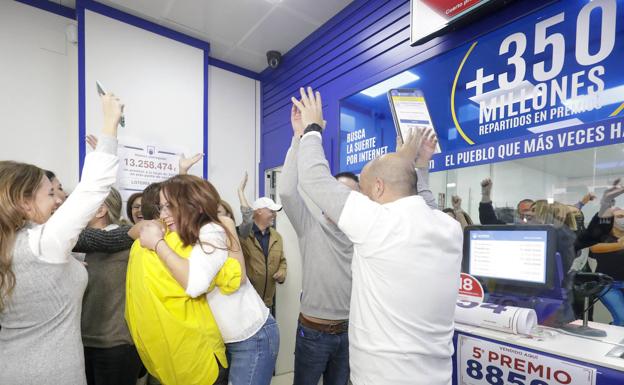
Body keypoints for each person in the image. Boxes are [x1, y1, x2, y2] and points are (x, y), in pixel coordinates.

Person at [291, 87, 463, 385]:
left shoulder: (377, 224)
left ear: (379, 188)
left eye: (367, 192)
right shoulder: (449, 228)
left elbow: (313, 179)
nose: (365, 199)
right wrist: (418, 164)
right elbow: (424, 200)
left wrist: (312, 129)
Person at [0, 93, 123, 385]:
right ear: (24, 202)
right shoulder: (41, 245)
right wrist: (110, 122)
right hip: (53, 374)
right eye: (50, 194)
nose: (59, 201)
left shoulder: (15, 243)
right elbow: (93, 188)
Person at [139, 175, 279, 385]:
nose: (163, 215)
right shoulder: (185, 232)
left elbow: (195, 284)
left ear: (192, 205)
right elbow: (137, 229)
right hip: (227, 340)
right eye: (161, 208)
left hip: (251, 338)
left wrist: (158, 243)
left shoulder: (211, 231)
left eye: (169, 207)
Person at [279, 103, 355, 385]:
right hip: (313, 333)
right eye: (336, 193)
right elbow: (287, 191)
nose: (340, 201)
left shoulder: (362, 234)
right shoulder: (310, 225)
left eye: (348, 196)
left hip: (350, 334)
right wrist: (298, 138)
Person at [81, 187, 142, 385]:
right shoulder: (75, 245)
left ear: (101, 210)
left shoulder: (126, 241)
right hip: (81, 343)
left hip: (116, 345)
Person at [239, 196, 287, 309]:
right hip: (247, 303)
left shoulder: (277, 237)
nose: (275, 215)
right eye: (271, 211)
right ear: (259, 211)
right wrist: (241, 193)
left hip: (267, 304)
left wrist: (282, 272)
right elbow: (246, 217)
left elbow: (282, 261)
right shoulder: (243, 235)